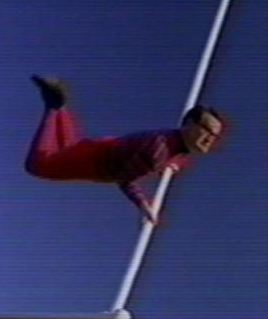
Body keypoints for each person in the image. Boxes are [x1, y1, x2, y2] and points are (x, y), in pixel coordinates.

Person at [25, 75, 225, 224]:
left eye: (215, 135)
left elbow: (177, 157)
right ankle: (54, 107)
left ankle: (59, 106)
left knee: (69, 148)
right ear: (189, 124)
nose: (211, 139)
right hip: (98, 161)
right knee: (38, 165)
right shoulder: (157, 152)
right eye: (207, 130)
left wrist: (173, 164)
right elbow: (124, 180)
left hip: (107, 148)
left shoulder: (178, 145)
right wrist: (144, 206)